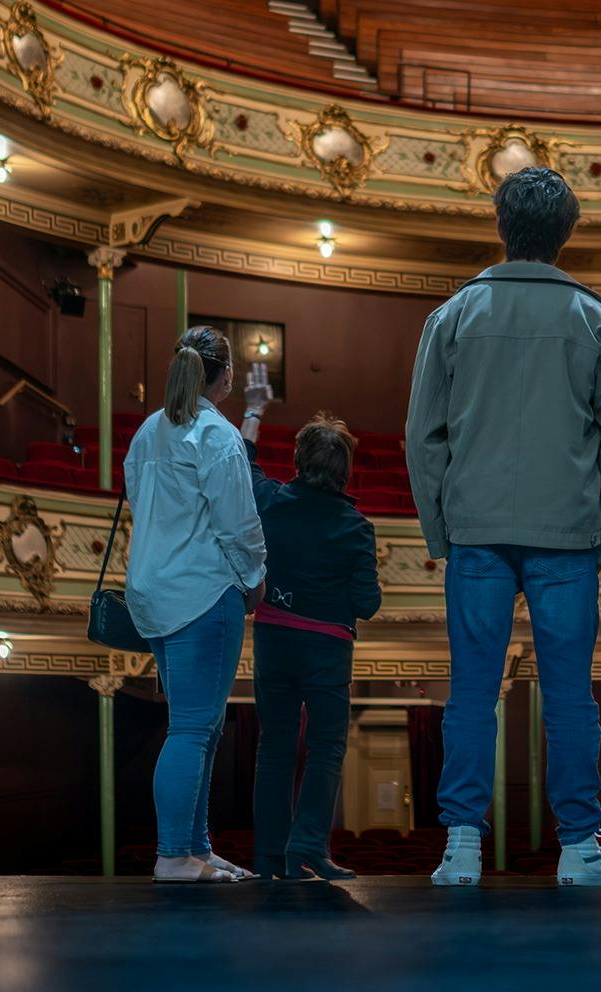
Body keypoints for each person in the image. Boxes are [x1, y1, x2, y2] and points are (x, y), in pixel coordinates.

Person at [407, 166, 601, 888]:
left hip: (475, 529)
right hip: (567, 533)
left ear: (500, 227)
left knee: (472, 692)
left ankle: (461, 849)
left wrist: (440, 531)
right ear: (566, 234)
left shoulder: (452, 315)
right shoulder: (596, 320)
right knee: (570, 695)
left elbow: (424, 437)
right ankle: (578, 848)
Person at [123, 325, 267, 884]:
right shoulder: (216, 434)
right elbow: (239, 522)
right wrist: (255, 576)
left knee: (198, 727)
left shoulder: (147, 432)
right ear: (225, 374)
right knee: (191, 728)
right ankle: (174, 856)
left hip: (155, 594)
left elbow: (140, 501)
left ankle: (196, 849)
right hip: (203, 593)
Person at [239, 368, 381, 881]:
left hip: (275, 642)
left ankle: (269, 857)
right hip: (326, 651)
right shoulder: (356, 527)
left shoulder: (272, 502)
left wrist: (254, 412)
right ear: (344, 471)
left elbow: (241, 463)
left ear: (299, 461)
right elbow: (367, 604)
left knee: (273, 748)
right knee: (324, 749)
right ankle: (306, 850)